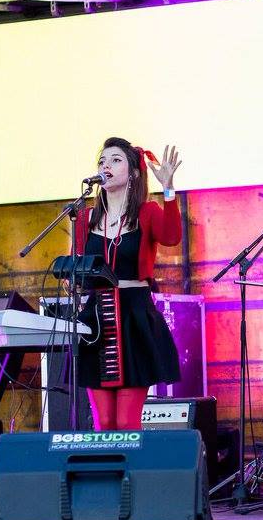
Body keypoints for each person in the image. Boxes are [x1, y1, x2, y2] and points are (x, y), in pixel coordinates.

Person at [72, 137, 183, 430]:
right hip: (97, 318)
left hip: (134, 315)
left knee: (126, 421)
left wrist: (168, 188)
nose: (105, 166)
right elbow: (79, 270)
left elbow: (172, 236)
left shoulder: (147, 213)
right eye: (102, 161)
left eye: (115, 160)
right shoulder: (84, 218)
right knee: (104, 422)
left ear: (133, 173)